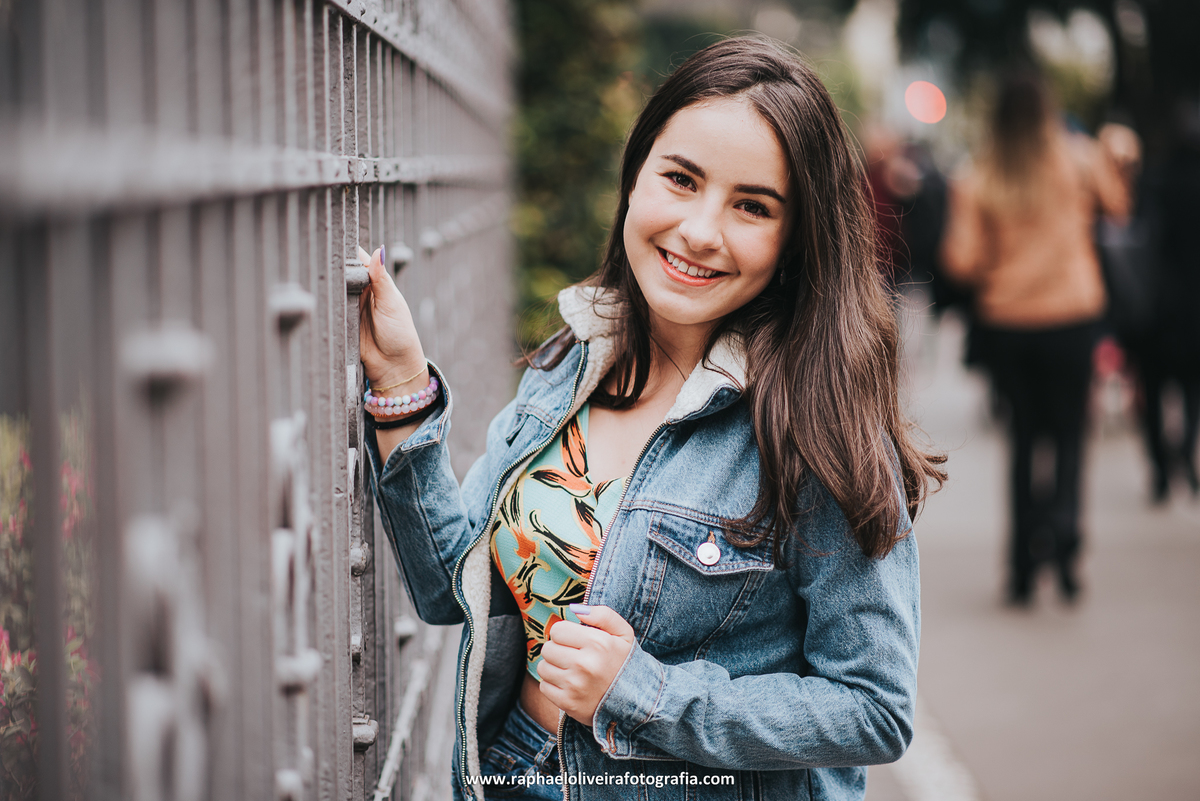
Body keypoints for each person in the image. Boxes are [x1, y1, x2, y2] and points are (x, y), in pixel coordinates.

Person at [359, 37, 945, 801]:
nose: (702, 231)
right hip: (512, 770)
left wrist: (645, 693)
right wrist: (403, 387)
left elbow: (874, 707)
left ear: (795, 236)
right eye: (681, 178)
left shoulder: (814, 426)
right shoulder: (571, 365)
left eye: (752, 206)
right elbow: (452, 588)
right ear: (635, 179)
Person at [941, 72, 1129, 606]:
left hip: (1010, 322)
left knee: (1023, 440)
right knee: (1070, 436)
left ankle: (1022, 562)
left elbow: (963, 260)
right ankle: (1066, 547)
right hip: (1073, 315)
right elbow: (1118, 208)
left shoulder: (978, 175)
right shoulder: (1080, 159)